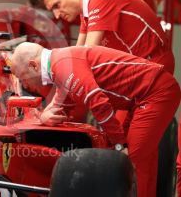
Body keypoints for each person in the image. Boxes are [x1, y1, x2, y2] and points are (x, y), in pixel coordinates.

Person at [10, 42, 180, 197]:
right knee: (139, 158)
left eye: (22, 78)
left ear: (33, 65)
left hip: (155, 93)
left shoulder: (61, 65)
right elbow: (66, 101)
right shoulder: (60, 62)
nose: (24, 85)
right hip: (143, 96)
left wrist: (120, 144)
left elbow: (98, 103)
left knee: (131, 161)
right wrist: (45, 116)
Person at [38, 0, 174, 74]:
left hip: (154, 65)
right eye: (52, 10)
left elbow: (88, 52)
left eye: (57, 5)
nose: (56, 15)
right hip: (137, 68)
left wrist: (47, 62)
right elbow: (77, 53)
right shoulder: (85, 10)